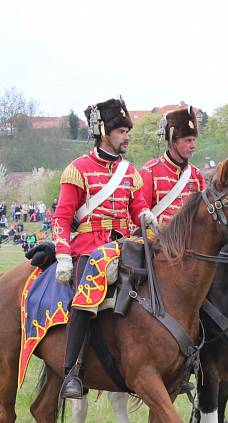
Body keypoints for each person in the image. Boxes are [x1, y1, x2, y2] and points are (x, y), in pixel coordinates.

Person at [54, 97, 155, 399]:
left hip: (124, 244)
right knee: (85, 297)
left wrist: (147, 217)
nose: (127, 136)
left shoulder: (129, 171)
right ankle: (72, 371)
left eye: (128, 131)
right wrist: (62, 255)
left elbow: (138, 208)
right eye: (121, 131)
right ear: (103, 131)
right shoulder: (78, 169)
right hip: (88, 247)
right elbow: (61, 216)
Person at [139, 106, 206, 226]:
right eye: (188, 140)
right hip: (160, 240)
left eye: (194, 140)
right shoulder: (150, 170)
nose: (193, 146)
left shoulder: (196, 174)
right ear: (173, 141)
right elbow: (140, 212)